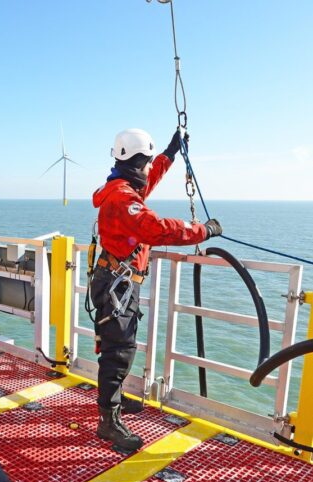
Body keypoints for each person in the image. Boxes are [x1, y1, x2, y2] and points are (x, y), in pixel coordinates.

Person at [90, 128, 223, 451]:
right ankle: (108, 421)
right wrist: (202, 231)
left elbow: (148, 181)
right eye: (147, 162)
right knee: (117, 352)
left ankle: (115, 402)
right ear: (137, 162)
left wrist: (170, 153)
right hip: (117, 286)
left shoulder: (120, 188)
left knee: (121, 347)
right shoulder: (123, 199)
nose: (150, 169)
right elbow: (156, 229)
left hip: (117, 283)